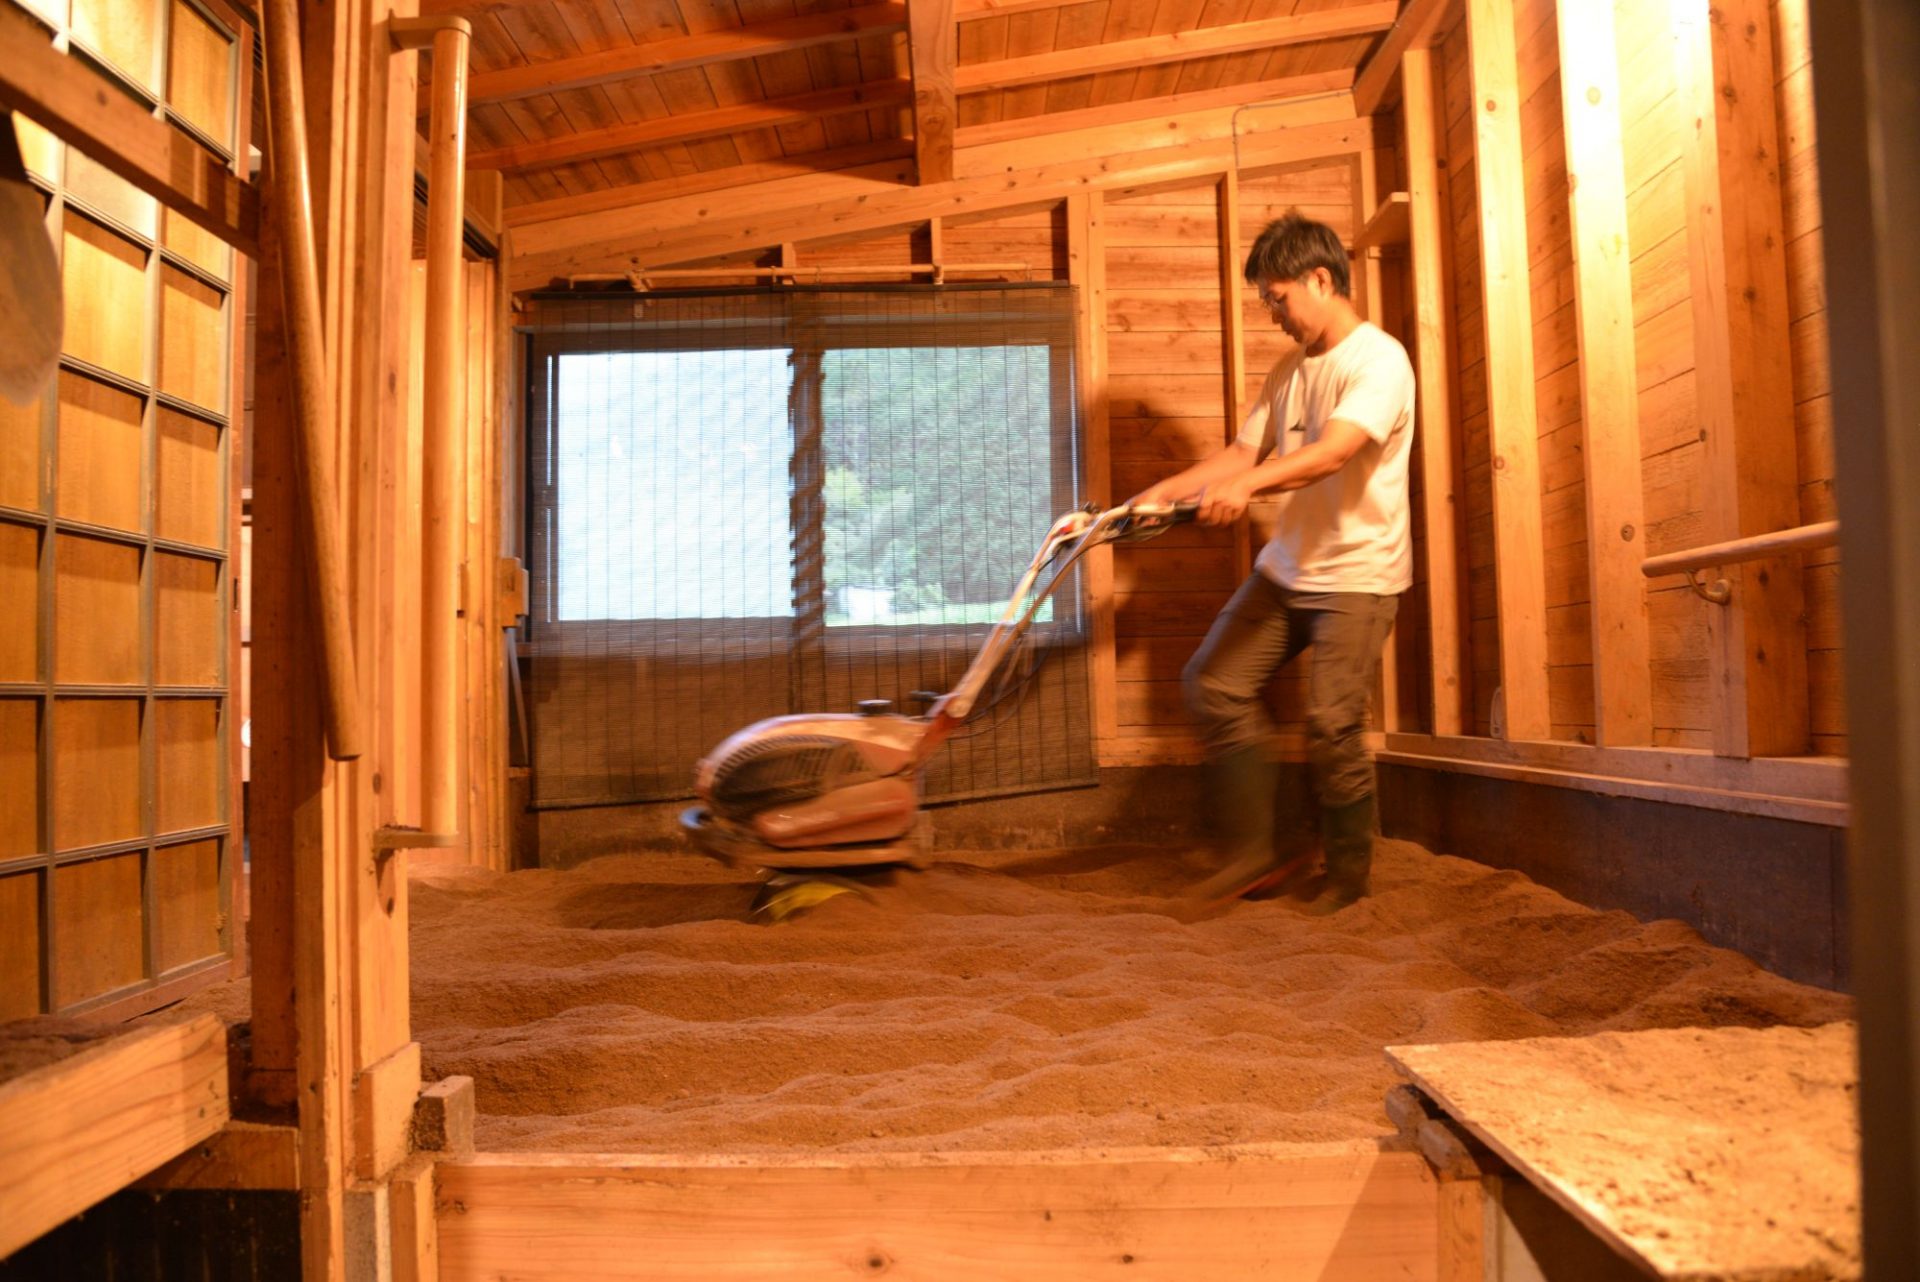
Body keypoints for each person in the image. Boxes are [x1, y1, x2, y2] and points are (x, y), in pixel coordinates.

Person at [1133, 210, 1415, 913]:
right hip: (1288, 571)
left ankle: (1347, 879)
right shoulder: (1289, 370)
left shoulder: (1379, 361)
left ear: (1320, 279)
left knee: (1331, 725)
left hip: (1358, 575)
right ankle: (1252, 855)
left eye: (1277, 298)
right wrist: (1158, 494)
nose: (1273, 314)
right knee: (1213, 683)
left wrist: (1247, 489)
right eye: (1266, 300)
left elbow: (1334, 452)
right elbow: (1240, 455)